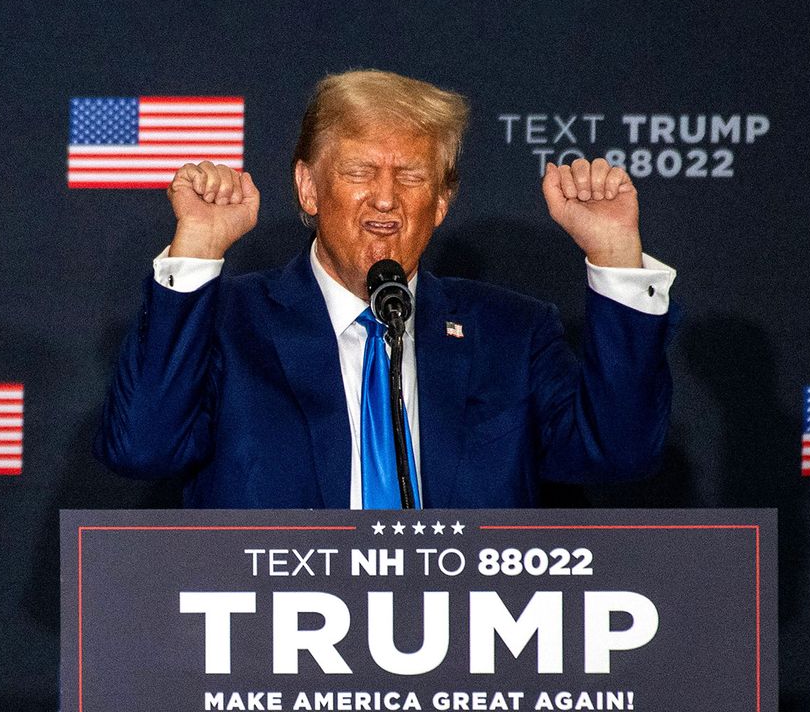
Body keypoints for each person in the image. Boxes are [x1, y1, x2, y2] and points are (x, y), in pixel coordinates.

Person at [95, 69, 676, 508]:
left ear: (441, 201)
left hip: (469, 657)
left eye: (412, 176)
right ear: (308, 188)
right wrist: (197, 245)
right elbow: (143, 447)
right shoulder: (228, 322)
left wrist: (614, 252)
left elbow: (619, 453)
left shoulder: (511, 333)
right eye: (358, 172)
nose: (385, 198)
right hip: (267, 655)